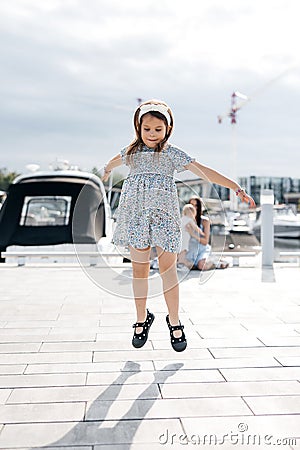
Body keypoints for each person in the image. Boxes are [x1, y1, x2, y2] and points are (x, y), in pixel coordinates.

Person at [102, 99, 255, 352]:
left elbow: (205, 171)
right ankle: (141, 319)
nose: (152, 134)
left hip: (164, 218)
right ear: (138, 128)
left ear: (168, 129)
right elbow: (112, 162)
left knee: (168, 272)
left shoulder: (172, 154)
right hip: (136, 216)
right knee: (139, 272)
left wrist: (235, 187)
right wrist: (106, 171)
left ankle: (174, 322)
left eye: (157, 129)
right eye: (147, 129)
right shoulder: (131, 153)